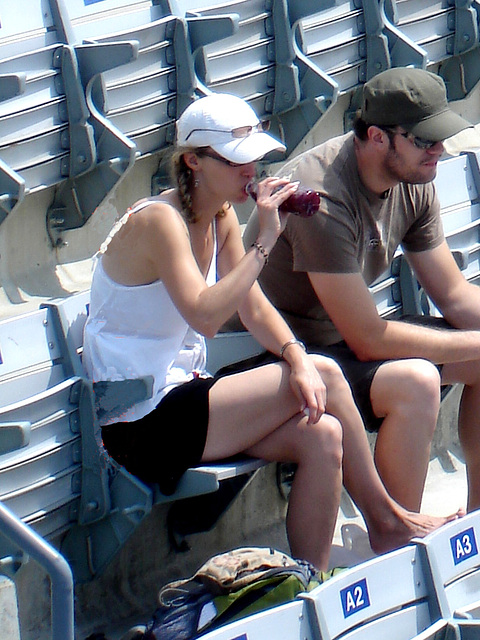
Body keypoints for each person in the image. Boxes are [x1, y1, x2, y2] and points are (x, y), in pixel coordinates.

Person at [83, 92, 458, 572]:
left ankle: (308, 583)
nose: (252, 171)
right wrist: (265, 239)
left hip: (183, 396)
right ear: (194, 161)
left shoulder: (217, 216)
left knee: (320, 434)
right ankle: (387, 519)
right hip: (135, 421)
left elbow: (254, 307)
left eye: (255, 159)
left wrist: (294, 356)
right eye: (239, 161)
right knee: (324, 371)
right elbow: (206, 316)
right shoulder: (159, 219)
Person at [244, 67, 480, 513]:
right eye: (425, 140)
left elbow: (453, 295)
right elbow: (368, 340)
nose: (440, 151)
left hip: (340, 343)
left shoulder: (412, 178)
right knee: (417, 381)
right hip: (281, 354)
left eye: (440, 138)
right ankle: (399, 543)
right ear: (377, 137)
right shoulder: (320, 200)